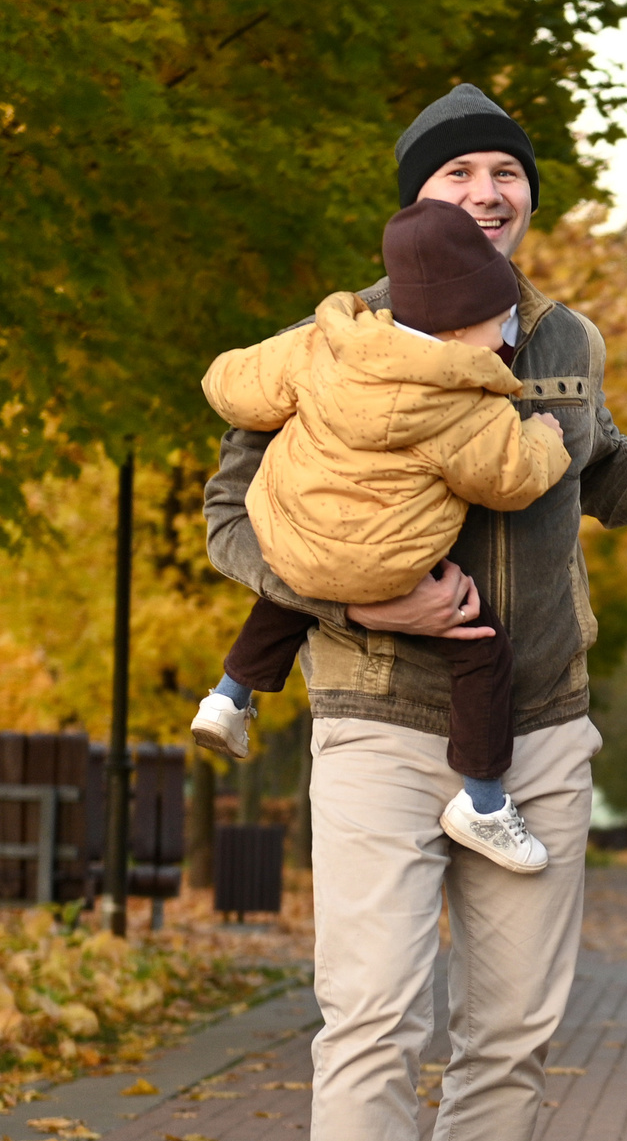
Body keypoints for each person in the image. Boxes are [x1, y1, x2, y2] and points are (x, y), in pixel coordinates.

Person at [204, 84, 627, 1141]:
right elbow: (232, 514)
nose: (489, 192)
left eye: (508, 173)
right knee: (378, 1018)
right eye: (462, 177)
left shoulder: (561, 336)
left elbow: (593, 462)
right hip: (379, 715)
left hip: (542, 725)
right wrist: (355, 598)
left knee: (511, 1032)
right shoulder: (336, 341)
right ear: (415, 204)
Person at [193, 199, 571, 873]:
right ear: (459, 331)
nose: (503, 331)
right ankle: (483, 802)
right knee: (483, 648)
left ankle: (230, 696)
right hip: (388, 568)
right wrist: (547, 438)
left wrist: (227, 370)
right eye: (496, 319)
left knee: (291, 588)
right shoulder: (463, 407)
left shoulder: (323, 345)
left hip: (293, 531)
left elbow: (233, 386)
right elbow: (512, 479)